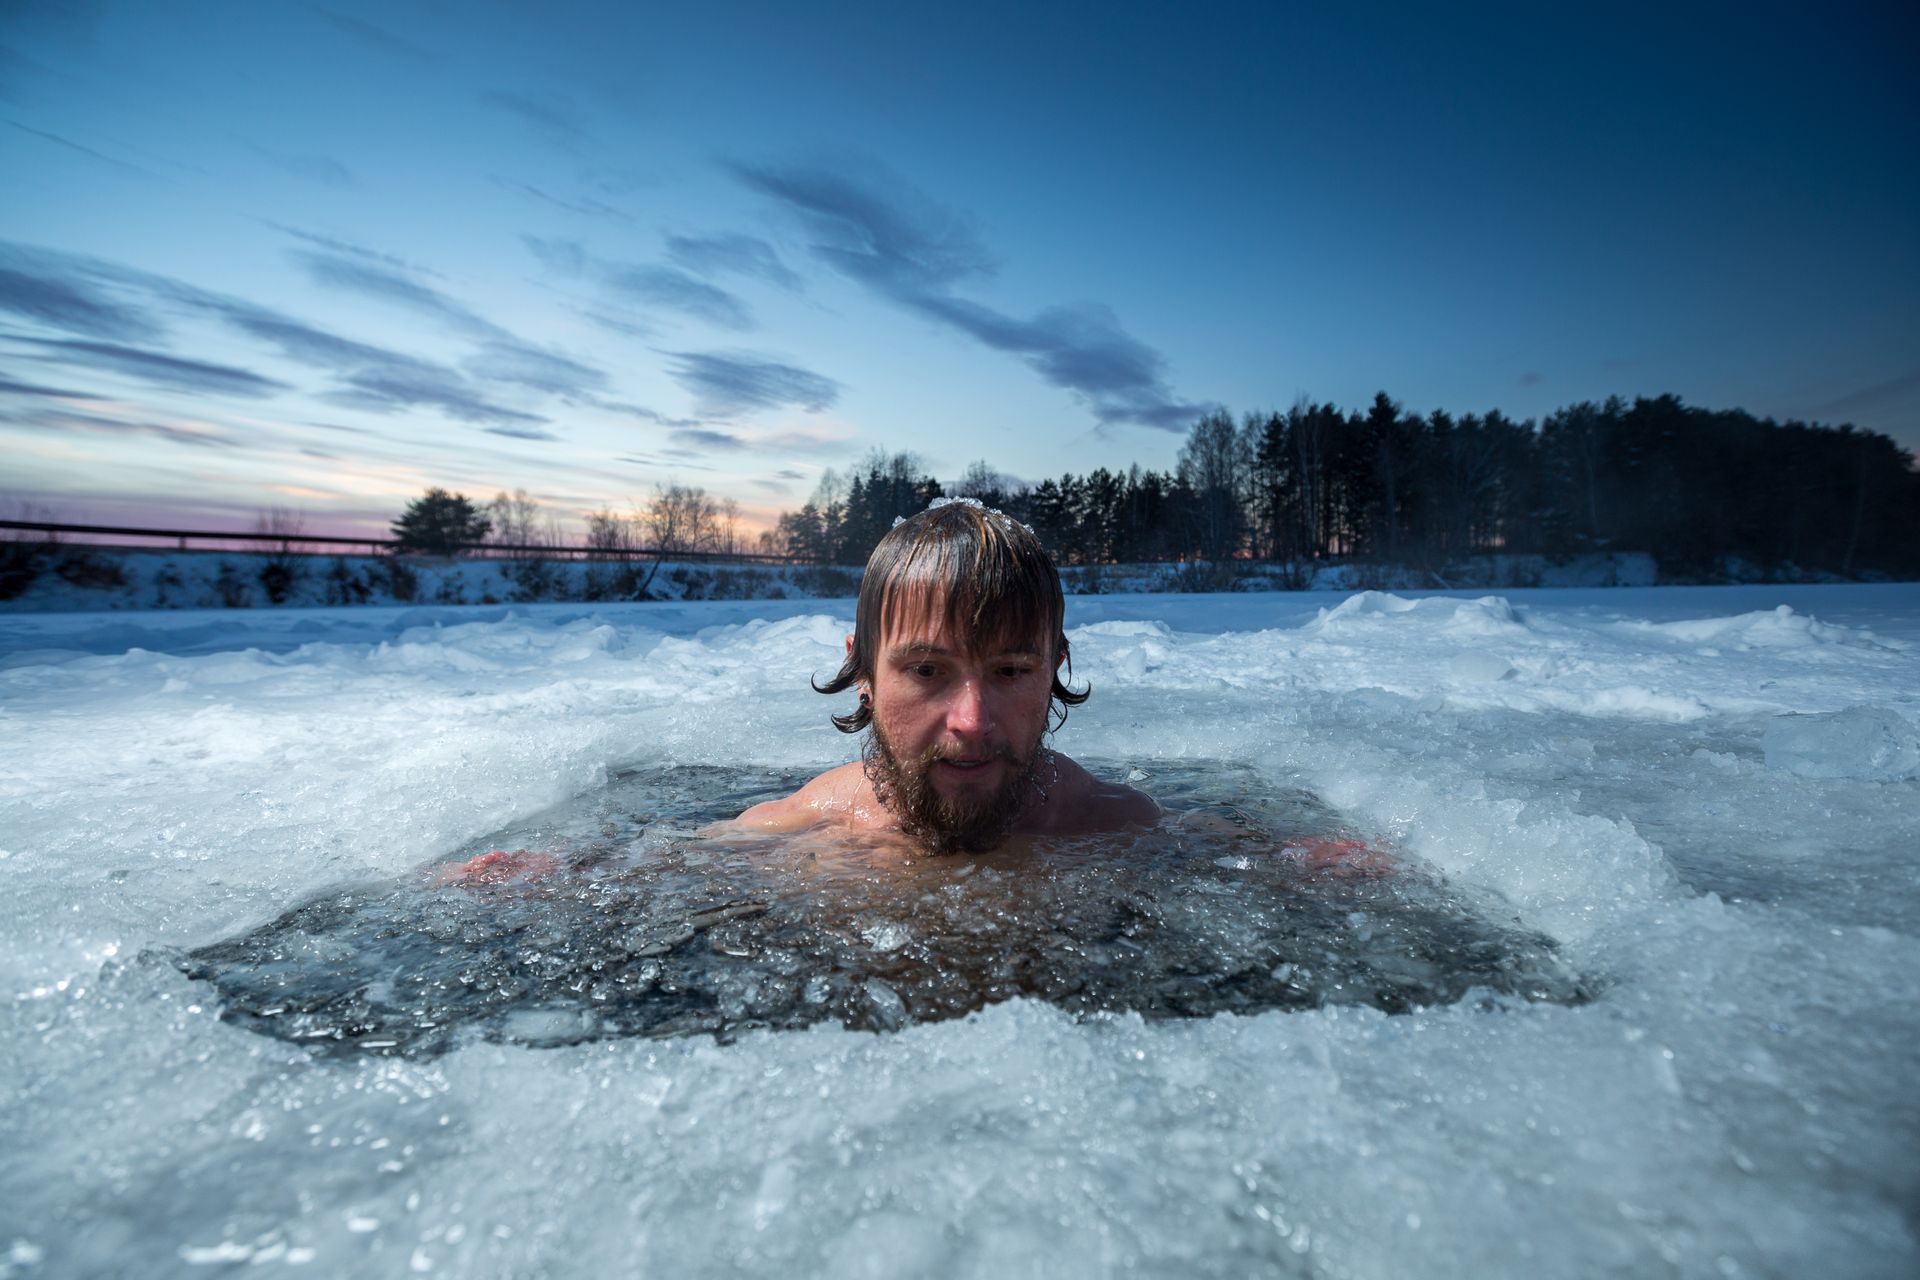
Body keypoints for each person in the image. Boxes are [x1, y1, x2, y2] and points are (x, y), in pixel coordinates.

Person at [729, 497, 1160, 853]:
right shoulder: (781, 837)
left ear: (1052, 672)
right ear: (863, 673)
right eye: (927, 670)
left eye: (1010, 670)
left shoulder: (1124, 828)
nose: (972, 722)